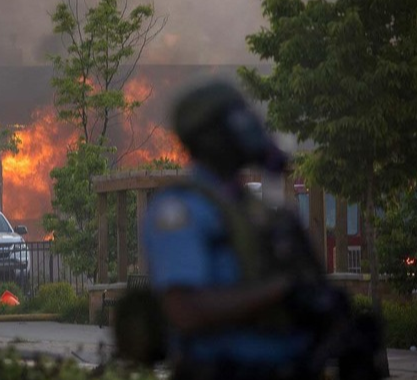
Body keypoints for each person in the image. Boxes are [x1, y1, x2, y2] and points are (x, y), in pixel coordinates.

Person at [141, 81, 349, 380]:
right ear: (209, 135)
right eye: (237, 118)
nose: (251, 126)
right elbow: (184, 311)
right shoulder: (181, 211)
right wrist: (281, 292)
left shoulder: (255, 207)